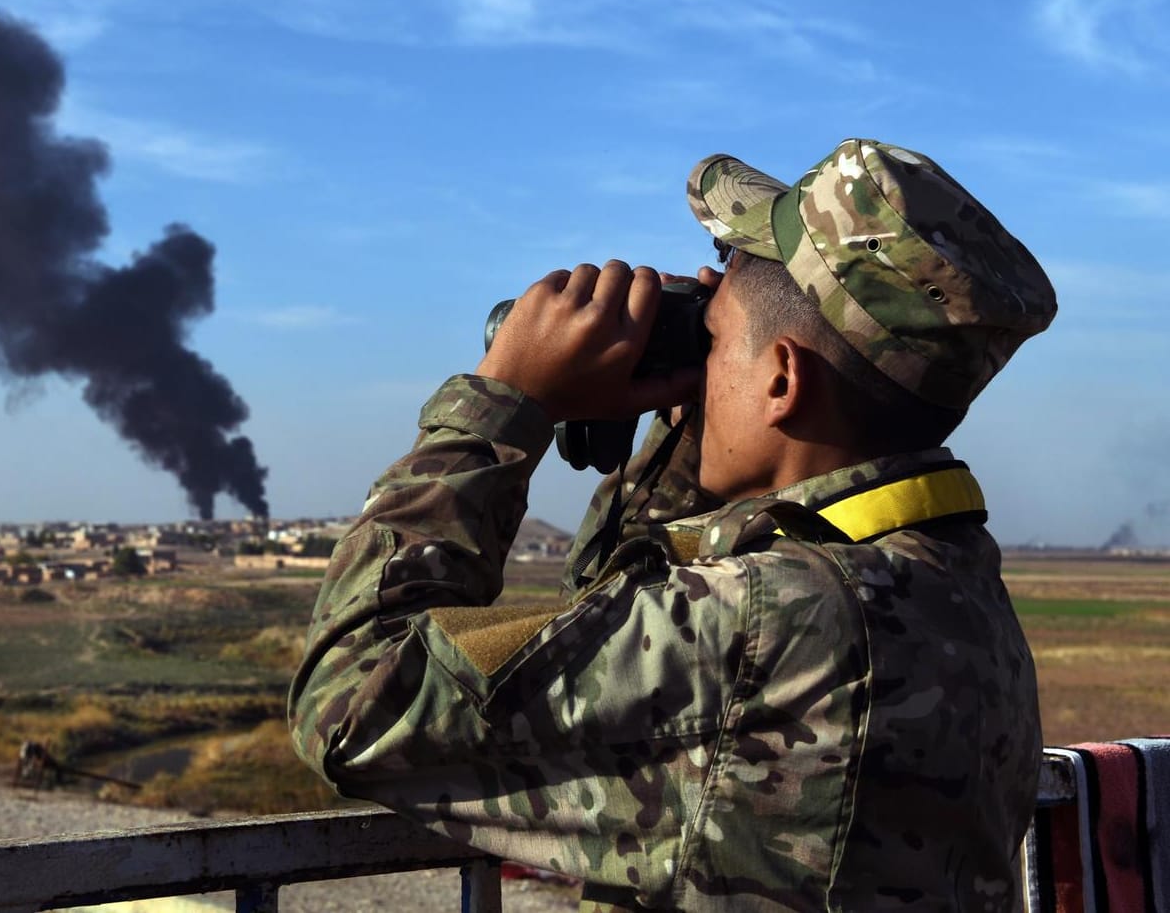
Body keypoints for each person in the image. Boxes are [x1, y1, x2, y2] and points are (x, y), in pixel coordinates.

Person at [287, 139, 1057, 912]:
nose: (699, 337)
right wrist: (696, 415)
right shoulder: (956, 593)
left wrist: (504, 401)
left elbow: (354, 703)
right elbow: (612, 620)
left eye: (712, 336)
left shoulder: (773, 624)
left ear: (782, 380)